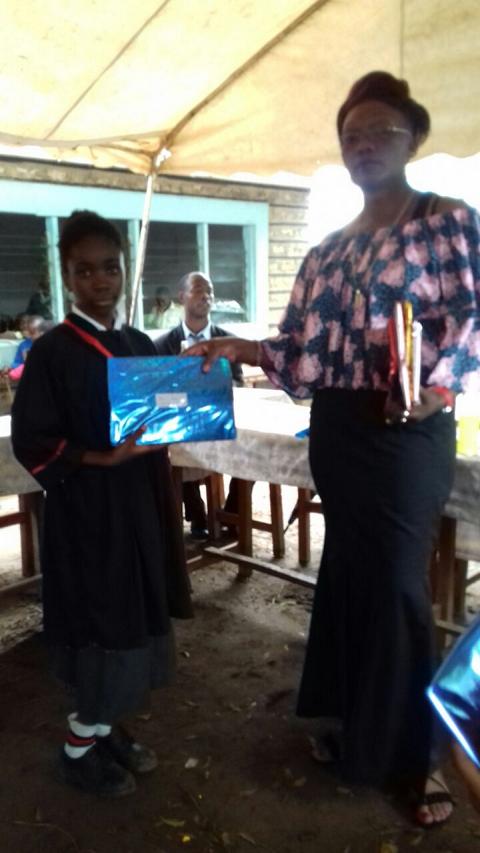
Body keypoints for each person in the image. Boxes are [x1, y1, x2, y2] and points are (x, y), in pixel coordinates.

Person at [188, 71, 480, 826]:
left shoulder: (447, 221)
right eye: (352, 135)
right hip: (340, 432)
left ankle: (416, 757)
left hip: (407, 429)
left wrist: (437, 387)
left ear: (414, 137)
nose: (364, 144)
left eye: (381, 130)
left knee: (398, 588)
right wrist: (237, 346)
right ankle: (355, 725)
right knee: (350, 578)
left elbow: (472, 316)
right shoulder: (326, 251)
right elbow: (299, 353)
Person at [11, 211, 192, 798]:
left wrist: (194, 397)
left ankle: (106, 726)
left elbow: (164, 409)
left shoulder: (137, 344)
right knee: (103, 619)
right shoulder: (52, 352)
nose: (100, 281)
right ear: (67, 277)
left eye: (110, 268)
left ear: (123, 270)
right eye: (84, 271)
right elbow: (31, 439)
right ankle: (79, 745)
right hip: (89, 512)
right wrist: (103, 458)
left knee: (134, 613)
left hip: (139, 505)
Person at [155, 271, 245, 539]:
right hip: (182, 427)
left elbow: (238, 384)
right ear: (182, 296)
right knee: (172, 451)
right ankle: (196, 513)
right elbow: (159, 394)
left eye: (210, 291)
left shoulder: (228, 341)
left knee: (252, 450)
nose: (206, 296)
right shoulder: (162, 345)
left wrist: (217, 389)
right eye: (198, 290)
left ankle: (232, 513)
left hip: (220, 423)